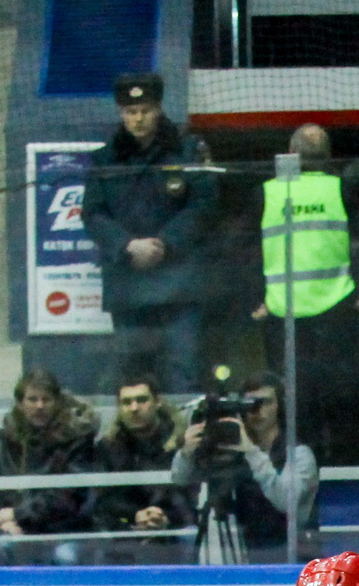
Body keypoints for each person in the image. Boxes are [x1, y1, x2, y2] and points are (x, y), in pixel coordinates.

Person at [82, 72, 214, 396]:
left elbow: (204, 204)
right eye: (130, 111)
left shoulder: (186, 151)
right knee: (133, 379)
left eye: (145, 110)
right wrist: (127, 246)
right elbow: (93, 213)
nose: (138, 119)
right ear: (121, 113)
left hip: (179, 287)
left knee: (183, 373)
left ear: (158, 109)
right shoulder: (104, 158)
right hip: (129, 287)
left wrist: (164, 245)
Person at [254, 124, 359, 467]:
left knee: (296, 408)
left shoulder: (267, 192)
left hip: (283, 315)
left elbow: (244, 252)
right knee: (343, 404)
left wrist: (256, 300)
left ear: (289, 153)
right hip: (337, 311)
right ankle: (345, 481)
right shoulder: (340, 189)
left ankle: (303, 484)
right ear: (328, 157)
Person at [173, 369, 318, 563]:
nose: (257, 411)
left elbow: (286, 501)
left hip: (290, 556)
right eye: (250, 403)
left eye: (265, 402)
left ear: (280, 407)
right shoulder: (234, 450)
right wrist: (186, 453)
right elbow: (179, 479)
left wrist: (251, 452)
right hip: (246, 552)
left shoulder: (299, 454)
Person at [0, 369, 96, 562]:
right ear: (20, 403)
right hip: (13, 528)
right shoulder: (0, 442)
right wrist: (4, 523)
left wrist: (18, 515)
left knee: (66, 557)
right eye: (32, 399)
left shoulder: (76, 440)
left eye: (46, 399)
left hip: (63, 531)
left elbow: (69, 498)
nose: (40, 406)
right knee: (0, 548)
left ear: (57, 403)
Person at [87, 375, 192, 561]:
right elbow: (102, 501)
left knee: (189, 538)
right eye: (127, 402)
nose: (134, 408)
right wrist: (134, 516)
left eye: (142, 400)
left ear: (157, 402)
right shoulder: (106, 447)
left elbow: (187, 496)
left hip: (172, 530)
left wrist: (164, 517)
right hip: (124, 531)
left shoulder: (180, 442)